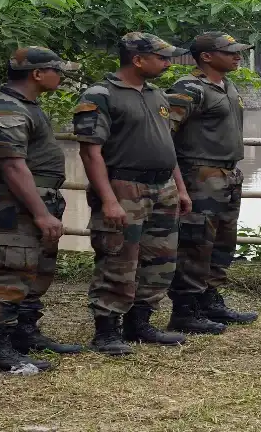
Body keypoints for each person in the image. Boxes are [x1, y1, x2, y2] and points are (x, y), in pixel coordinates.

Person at [74, 32, 191, 355]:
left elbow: (168, 146)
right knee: (119, 258)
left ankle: (140, 322)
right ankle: (107, 329)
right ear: (137, 59)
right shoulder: (101, 95)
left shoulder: (156, 95)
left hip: (163, 186)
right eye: (161, 57)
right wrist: (109, 199)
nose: (168, 63)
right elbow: (90, 152)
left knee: (160, 258)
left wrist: (180, 187)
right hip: (124, 185)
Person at [0, 47, 83, 372]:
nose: (60, 77)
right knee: (9, 271)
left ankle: (23, 333)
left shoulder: (27, 107)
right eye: (56, 71)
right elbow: (13, 166)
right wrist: (40, 212)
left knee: (34, 270)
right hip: (17, 201)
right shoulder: (7, 109)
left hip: (38, 199)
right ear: (37, 74)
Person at [165, 32, 258, 334]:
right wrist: (179, 185)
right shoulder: (189, 88)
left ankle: (210, 300)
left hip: (228, 175)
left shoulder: (226, 85)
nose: (237, 56)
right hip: (200, 175)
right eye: (230, 52)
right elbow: (165, 135)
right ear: (206, 56)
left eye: (238, 51)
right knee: (195, 243)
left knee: (222, 243)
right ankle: (185, 309)